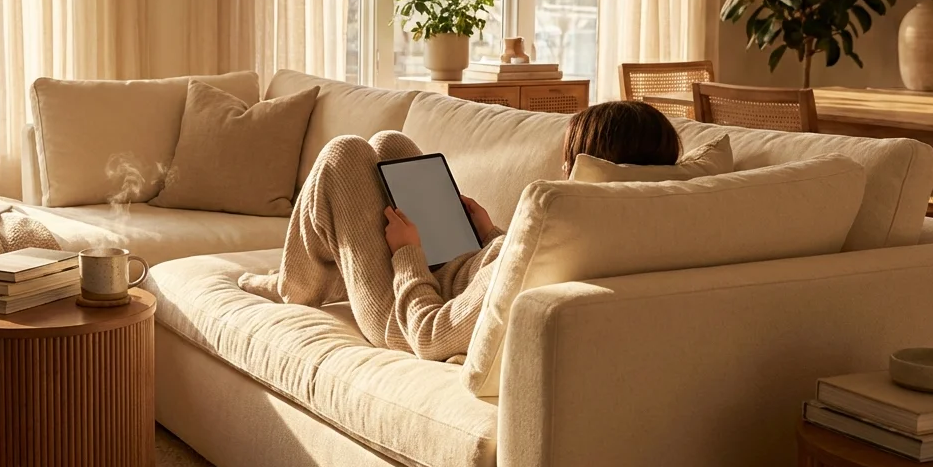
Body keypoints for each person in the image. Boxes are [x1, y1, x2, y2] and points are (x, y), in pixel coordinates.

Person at [238, 100, 682, 362]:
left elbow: (431, 335)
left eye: (567, 161)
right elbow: (510, 264)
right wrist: (490, 234)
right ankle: (339, 268)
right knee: (392, 146)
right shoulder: (618, 222)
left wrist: (407, 253)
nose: (561, 169)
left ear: (581, 167)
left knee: (343, 155)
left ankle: (293, 286)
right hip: (456, 259)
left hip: (404, 311)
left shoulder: (561, 236)